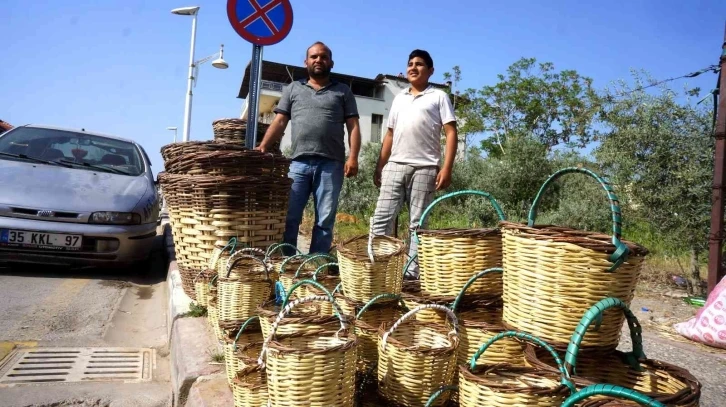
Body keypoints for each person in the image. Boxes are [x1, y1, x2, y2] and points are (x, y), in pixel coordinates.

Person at [257, 41, 361, 255]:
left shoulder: (343, 91)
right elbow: (279, 122)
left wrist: (353, 158)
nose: (318, 60)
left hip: (331, 164)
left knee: (324, 220)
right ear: (306, 62)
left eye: (323, 57)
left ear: (331, 62)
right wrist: (263, 147)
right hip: (298, 163)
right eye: (314, 57)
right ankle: (288, 263)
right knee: (290, 217)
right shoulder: (293, 88)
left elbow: (353, 126)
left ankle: (316, 266)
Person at [370, 49, 458, 278]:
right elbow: (389, 134)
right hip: (395, 165)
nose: (413, 67)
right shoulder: (399, 98)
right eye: (410, 63)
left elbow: (450, 132)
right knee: (381, 218)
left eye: (419, 64)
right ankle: (377, 267)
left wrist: (447, 168)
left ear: (430, 71)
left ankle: (411, 275)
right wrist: (380, 165)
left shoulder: (439, 96)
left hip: (425, 167)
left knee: (418, 225)